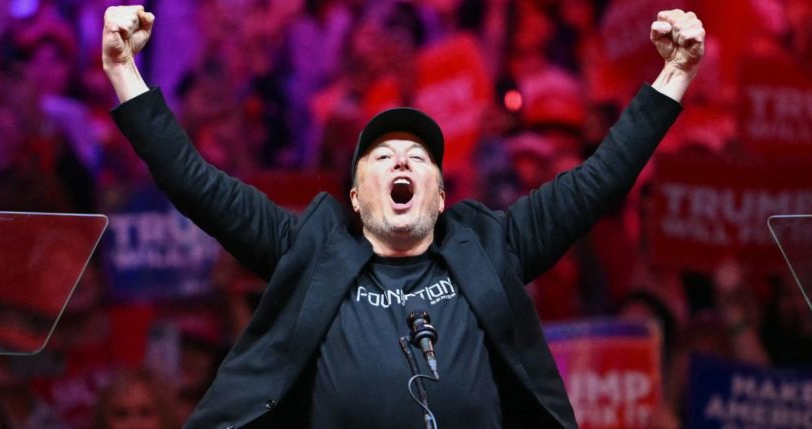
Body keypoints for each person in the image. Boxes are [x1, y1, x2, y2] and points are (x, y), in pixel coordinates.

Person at [101, 5, 705, 428]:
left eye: (419, 158)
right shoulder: (308, 247)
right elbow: (196, 184)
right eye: (382, 157)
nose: (402, 163)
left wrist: (673, 73)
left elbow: (599, 181)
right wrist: (125, 72)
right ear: (357, 198)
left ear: (441, 197)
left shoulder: (493, 244)